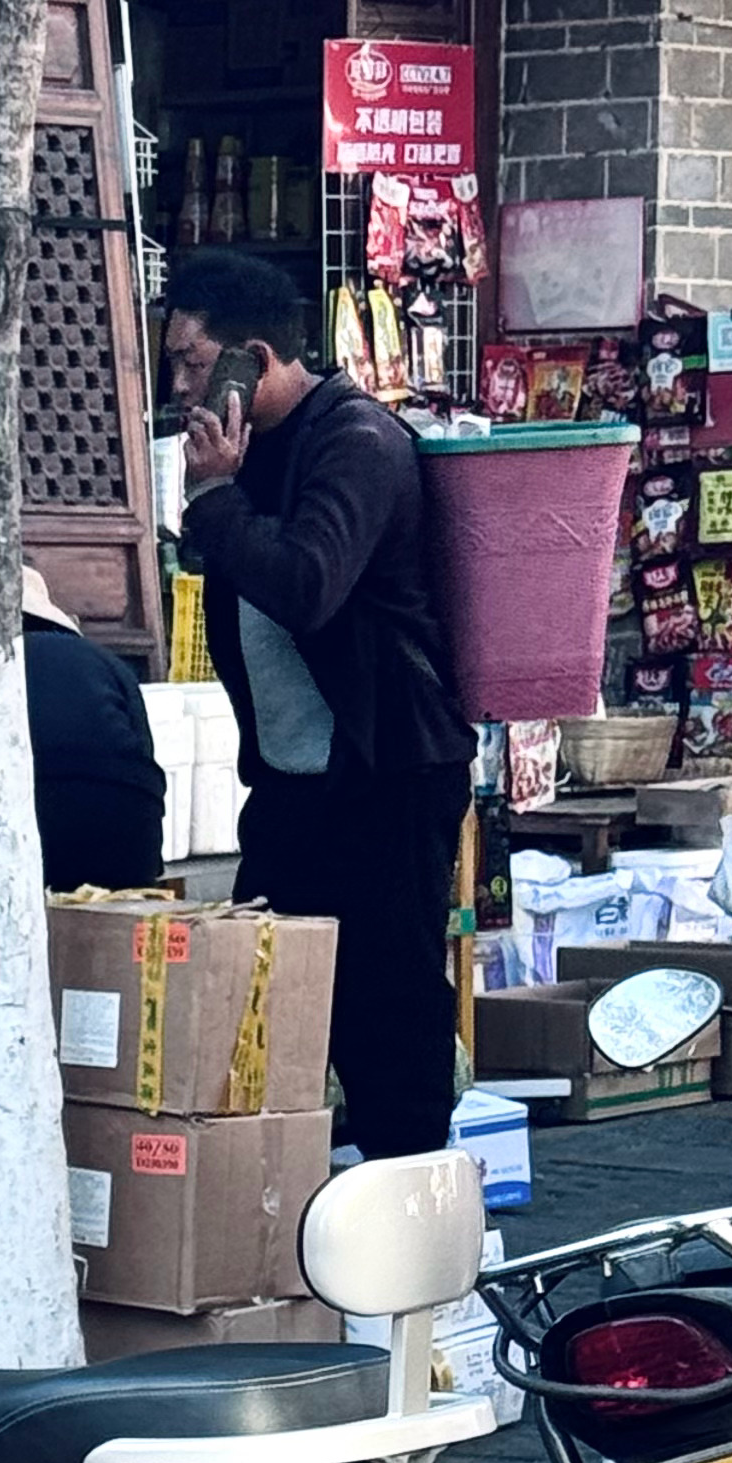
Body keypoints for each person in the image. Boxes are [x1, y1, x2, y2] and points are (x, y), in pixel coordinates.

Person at [165, 247, 475, 1160]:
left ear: (253, 359)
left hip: (388, 772)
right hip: (296, 782)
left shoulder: (357, 441)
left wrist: (217, 496)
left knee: (390, 1005)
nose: (179, 384)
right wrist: (215, 498)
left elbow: (307, 581)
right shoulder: (248, 445)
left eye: (191, 361)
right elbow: (214, 558)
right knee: (278, 997)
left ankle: (416, 1212)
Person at [0, 565, 168, 1052]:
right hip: (122, 859)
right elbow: (142, 786)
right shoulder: (108, 667)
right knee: (104, 1029)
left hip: (12, 851)